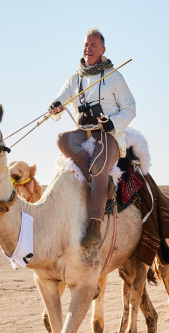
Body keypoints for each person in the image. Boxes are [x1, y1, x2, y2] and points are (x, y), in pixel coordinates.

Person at [48, 28, 136, 246]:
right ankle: (101, 184)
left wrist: (113, 122)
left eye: (93, 45)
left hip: (108, 135)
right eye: (86, 45)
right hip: (83, 132)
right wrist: (55, 107)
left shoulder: (114, 76)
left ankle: (95, 226)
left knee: (99, 163)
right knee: (61, 139)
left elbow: (130, 108)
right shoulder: (74, 78)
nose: (88, 49)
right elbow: (60, 99)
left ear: (102, 49)